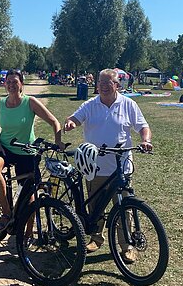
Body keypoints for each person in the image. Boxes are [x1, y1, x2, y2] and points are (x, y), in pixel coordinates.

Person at [64, 68, 153, 263]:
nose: (103, 86)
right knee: (96, 208)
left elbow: (143, 126)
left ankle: (127, 245)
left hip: (121, 167)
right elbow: (74, 119)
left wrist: (145, 140)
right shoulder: (91, 105)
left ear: (117, 85)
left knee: (124, 207)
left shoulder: (128, 104)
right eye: (100, 83)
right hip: (95, 166)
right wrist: (70, 123)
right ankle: (96, 238)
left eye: (108, 83)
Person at [0, 69, 64, 232]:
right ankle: (7, 213)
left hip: (26, 151)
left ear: (21, 84)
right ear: (4, 84)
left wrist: (58, 141)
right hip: (5, 149)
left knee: (30, 196)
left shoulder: (29, 102)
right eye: (8, 82)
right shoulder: (0, 104)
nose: (11, 85)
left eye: (15, 82)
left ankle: (28, 232)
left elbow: (54, 121)